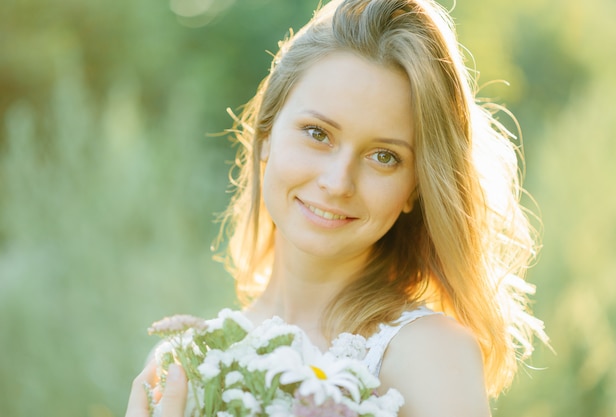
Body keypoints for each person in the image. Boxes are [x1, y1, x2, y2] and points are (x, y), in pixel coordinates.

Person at [126, 0, 548, 416]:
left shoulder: (430, 353)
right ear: (267, 132)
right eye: (317, 133)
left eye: (384, 156)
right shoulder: (187, 360)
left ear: (414, 190)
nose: (337, 182)